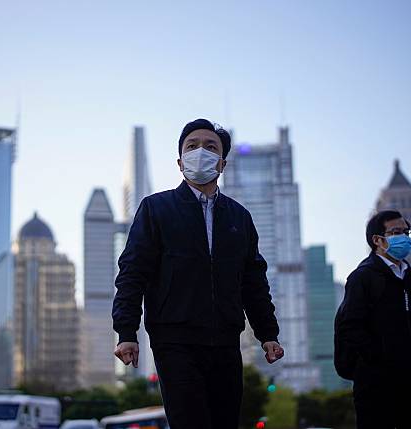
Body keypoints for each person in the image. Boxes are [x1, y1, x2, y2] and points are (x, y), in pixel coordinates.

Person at [112, 118, 283, 429]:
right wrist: (126, 332)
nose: (200, 151)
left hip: (226, 340)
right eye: (192, 146)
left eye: (210, 147)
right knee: (190, 421)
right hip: (174, 338)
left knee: (224, 421)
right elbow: (132, 272)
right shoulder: (155, 209)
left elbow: (253, 282)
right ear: (180, 162)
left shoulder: (239, 218)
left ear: (222, 163)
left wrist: (267, 333)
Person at [335, 210, 411, 429]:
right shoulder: (363, 277)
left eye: (407, 232)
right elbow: (350, 326)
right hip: (376, 384)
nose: (404, 238)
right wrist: (379, 360)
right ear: (377, 240)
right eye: (396, 232)